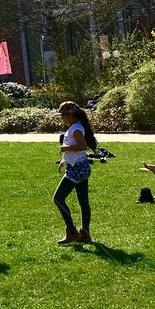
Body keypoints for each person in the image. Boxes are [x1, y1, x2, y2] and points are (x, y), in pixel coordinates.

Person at [53, 101, 97, 245]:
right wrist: (64, 160)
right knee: (83, 202)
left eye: (63, 115)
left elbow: (82, 146)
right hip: (80, 166)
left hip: (77, 169)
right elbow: (76, 150)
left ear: (71, 114)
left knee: (58, 198)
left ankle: (71, 232)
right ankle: (85, 232)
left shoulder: (76, 129)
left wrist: (65, 148)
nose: (62, 118)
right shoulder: (75, 127)